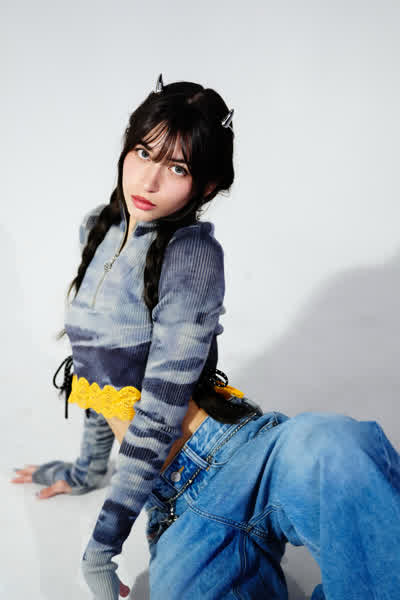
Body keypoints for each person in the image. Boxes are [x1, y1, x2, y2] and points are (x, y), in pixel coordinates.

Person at [11, 74, 400, 600]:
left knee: (336, 449)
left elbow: (157, 413)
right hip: (180, 508)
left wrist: (102, 546)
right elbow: (97, 374)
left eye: (177, 168)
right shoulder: (97, 229)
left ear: (207, 186)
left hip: (244, 456)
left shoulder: (192, 254)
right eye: (143, 153)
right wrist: (86, 470)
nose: (149, 181)